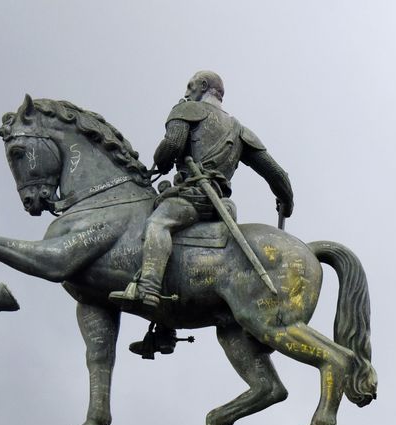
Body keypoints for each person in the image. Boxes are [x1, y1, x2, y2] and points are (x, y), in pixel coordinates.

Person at [111, 70, 295, 310]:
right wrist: (286, 200)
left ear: (203, 86)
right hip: (221, 207)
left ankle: (148, 287)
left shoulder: (187, 110)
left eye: (190, 86)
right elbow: (277, 174)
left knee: (157, 224)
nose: (186, 92)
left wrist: (162, 158)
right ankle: (163, 327)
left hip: (192, 197)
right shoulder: (239, 130)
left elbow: (172, 146)